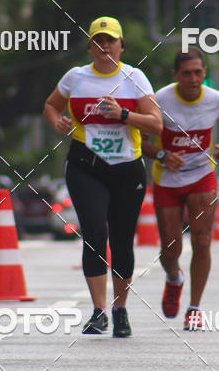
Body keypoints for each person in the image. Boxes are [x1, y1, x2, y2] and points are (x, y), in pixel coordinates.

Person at [43, 17, 162, 338]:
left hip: (126, 168)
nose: (104, 46)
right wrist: (57, 121)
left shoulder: (134, 78)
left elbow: (156, 124)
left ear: (122, 45)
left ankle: (120, 310)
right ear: (90, 47)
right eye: (98, 40)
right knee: (95, 234)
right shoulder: (76, 77)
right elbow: (51, 105)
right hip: (86, 166)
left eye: (110, 40)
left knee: (122, 240)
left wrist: (124, 114)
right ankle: (98, 311)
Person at [142, 47, 219, 330]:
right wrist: (161, 155)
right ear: (176, 75)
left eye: (198, 72)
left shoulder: (215, 99)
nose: (194, 79)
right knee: (170, 249)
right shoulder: (159, 100)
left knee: (202, 240)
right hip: (167, 180)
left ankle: (194, 308)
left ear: (205, 73)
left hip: (202, 175)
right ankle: (174, 278)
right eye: (187, 74)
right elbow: (140, 139)